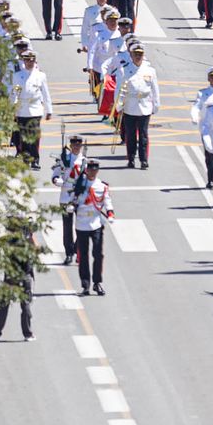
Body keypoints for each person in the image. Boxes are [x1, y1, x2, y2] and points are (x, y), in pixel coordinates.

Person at [74, 158, 114, 296]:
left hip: (96, 223)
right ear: (87, 170)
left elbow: (107, 200)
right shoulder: (79, 184)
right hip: (81, 223)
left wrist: (110, 213)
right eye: (90, 169)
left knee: (98, 254)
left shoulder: (101, 186)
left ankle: (97, 283)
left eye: (95, 169)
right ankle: (85, 285)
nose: (92, 171)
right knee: (83, 256)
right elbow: (73, 198)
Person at [118, 43, 161, 169]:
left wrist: (156, 105)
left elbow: (155, 89)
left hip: (145, 106)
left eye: (140, 54)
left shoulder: (150, 70)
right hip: (130, 106)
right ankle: (131, 159)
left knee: (143, 135)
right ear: (131, 55)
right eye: (135, 54)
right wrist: (119, 105)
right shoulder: (124, 69)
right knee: (130, 135)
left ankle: (144, 160)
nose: (138, 56)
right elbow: (120, 89)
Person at [12, 50, 53, 168]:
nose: (29, 63)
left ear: (35, 61)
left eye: (31, 60)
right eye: (27, 60)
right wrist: (12, 107)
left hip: (35, 108)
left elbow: (46, 93)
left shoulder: (40, 75)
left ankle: (35, 159)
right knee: (23, 135)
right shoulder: (18, 76)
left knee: (34, 135)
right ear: (23, 61)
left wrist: (49, 110)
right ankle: (26, 157)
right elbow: (15, 92)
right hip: (22, 109)